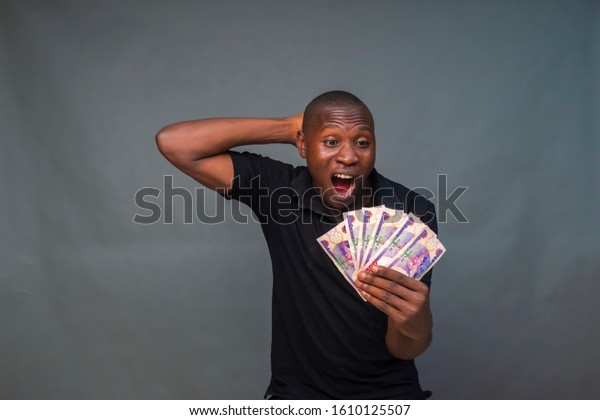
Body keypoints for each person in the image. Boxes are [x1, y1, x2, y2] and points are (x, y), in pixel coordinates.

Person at [155, 90, 438, 399]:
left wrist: (418, 324)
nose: (349, 156)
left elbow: (404, 347)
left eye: (362, 142)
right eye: (330, 141)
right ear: (304, 145)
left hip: (386, 398)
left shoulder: (411, 212)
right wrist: (289, 128)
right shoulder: (279, 192)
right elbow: (176, 143)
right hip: (298, 398)